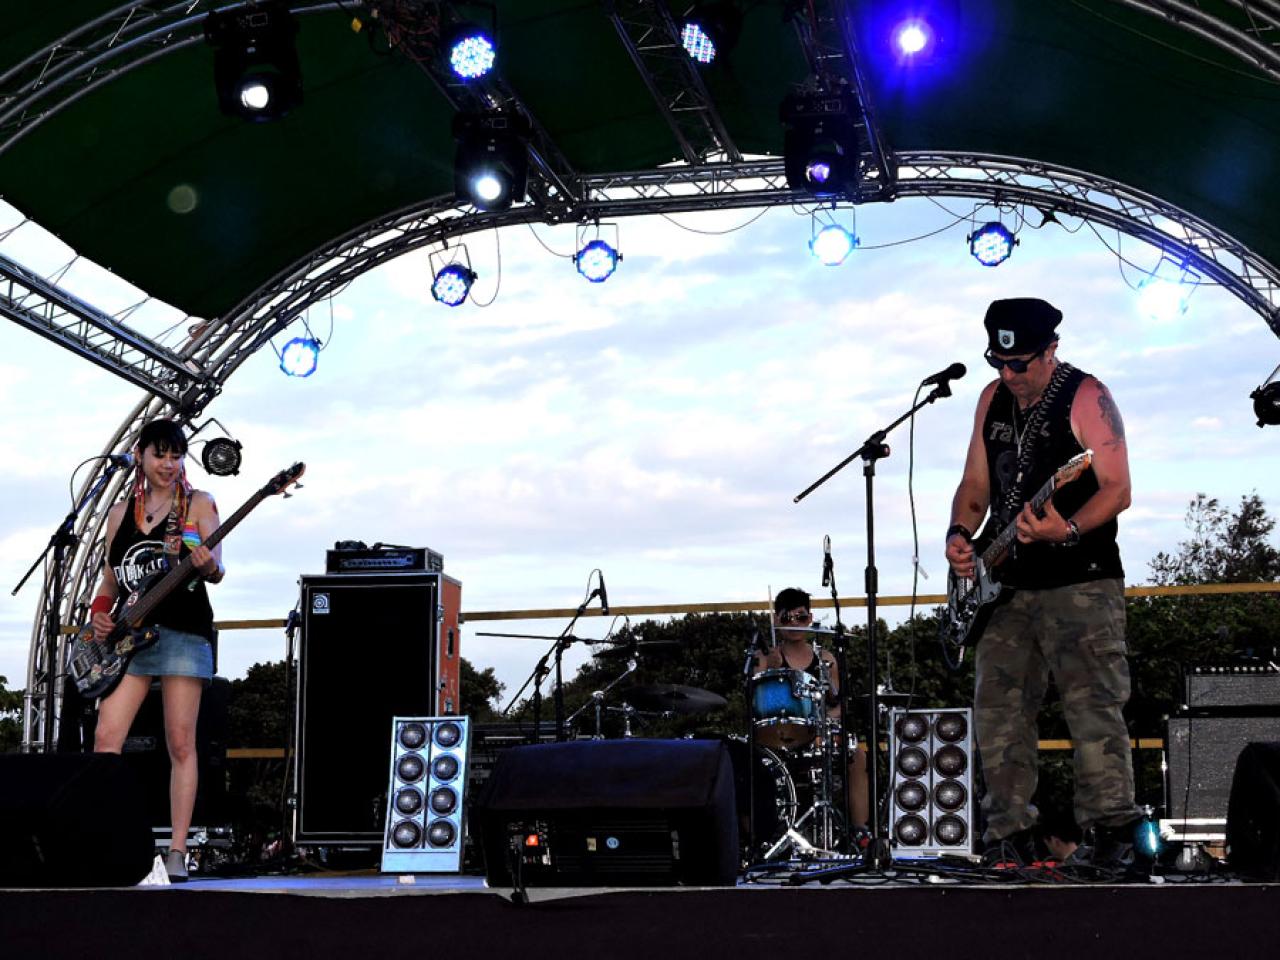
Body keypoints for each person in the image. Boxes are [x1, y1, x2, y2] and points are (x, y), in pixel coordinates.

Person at [944, 297, 1143, 864]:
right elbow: (976, 483)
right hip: (1005, 585)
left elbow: (1118, 488)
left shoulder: (1086, 396)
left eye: (1021, 363)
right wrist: (960, 533)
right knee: (999, 711)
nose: (1010, 374)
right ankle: (1008, 833)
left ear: (1051, 349)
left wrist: (1068, 528)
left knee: (1093, 706)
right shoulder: (992, 399)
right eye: (999, 362)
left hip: (1081, 581)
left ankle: (1111, 831)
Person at [89, 418, 224, 882]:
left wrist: (206, 566)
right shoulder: (120, 513)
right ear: (140, 456)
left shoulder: (197, 504)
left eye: (176, 455)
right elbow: (110, 580)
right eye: (159, 454)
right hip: (130, 637)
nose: (168, 464)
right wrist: (100, 613)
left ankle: (177, 851)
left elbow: (217, 566)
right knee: (106, 739)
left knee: (180, 741)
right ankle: (111, 839)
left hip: (183, 631)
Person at [756, 587, 869, 831]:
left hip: (817, 735)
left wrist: (822, 721)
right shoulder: (763, 658)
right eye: (787, 618)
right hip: (777, 737)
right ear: (776, 620)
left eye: (801, 617)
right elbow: (758, 706)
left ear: (810, 618)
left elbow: (840, 703)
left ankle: (861, 833)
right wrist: (771, 670)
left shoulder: (825, 658)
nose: (794, 623)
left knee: (857, 756)